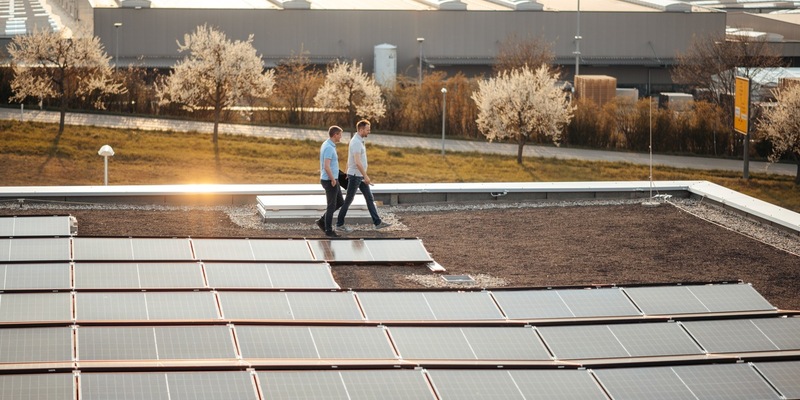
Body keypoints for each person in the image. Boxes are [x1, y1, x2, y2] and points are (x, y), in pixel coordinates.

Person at [336, 119, 392, 231]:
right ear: (361, 130)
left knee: (369, 198)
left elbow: (350, 158)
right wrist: (365, 176)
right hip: (356, 176)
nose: (369, 131)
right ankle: (339, 224)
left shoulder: (359, 140)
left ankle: (378, 223)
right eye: (367, 129)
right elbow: (357, 161)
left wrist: (347, 171)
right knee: (348, 200)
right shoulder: (356, 142)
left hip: (358, 176)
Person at [316, 125, 344, 237]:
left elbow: (331, 165)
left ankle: (322, 221)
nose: (341, 137)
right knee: (331, 205)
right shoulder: (328, 147)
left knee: (340, 202)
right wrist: (332, 179)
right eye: (340, 135)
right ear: (335, 135)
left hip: (333, 179)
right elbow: (326, 166)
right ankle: (328, 230)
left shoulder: (328, 144)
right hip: (329, 180)